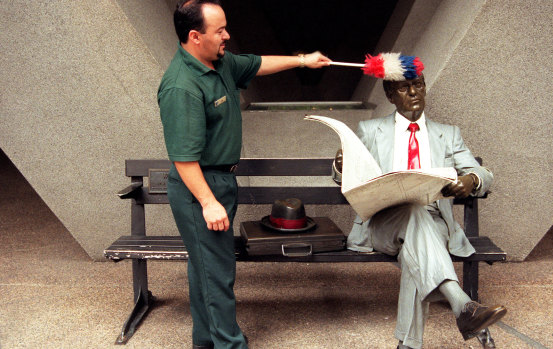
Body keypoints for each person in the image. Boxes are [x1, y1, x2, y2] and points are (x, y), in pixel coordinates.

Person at [157, 1, 330, 348]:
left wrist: (303, 60)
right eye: (219, 30)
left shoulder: (219, 63)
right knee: (217, 273)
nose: (227, 35)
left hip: (221, 181)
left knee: (205, 269)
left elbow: (258, 62)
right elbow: (183, 158)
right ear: (195, 36)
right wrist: (208, 202)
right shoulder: (182, 86)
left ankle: (206, 341)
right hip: (200, 187)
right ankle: (230, 344)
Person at [333, 56, 506, 349]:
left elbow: (484, 175)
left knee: (416, 250)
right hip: (384, 223)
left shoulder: (448, 135)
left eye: (419, 85)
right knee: (414, 218)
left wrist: (471, 181)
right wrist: (341, 165)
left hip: (434, 224)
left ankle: (410, 344)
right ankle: (462, 304)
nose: (414, 93)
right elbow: (344, 177)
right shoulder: (371, 130)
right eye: (404, 88)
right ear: (389, 94)